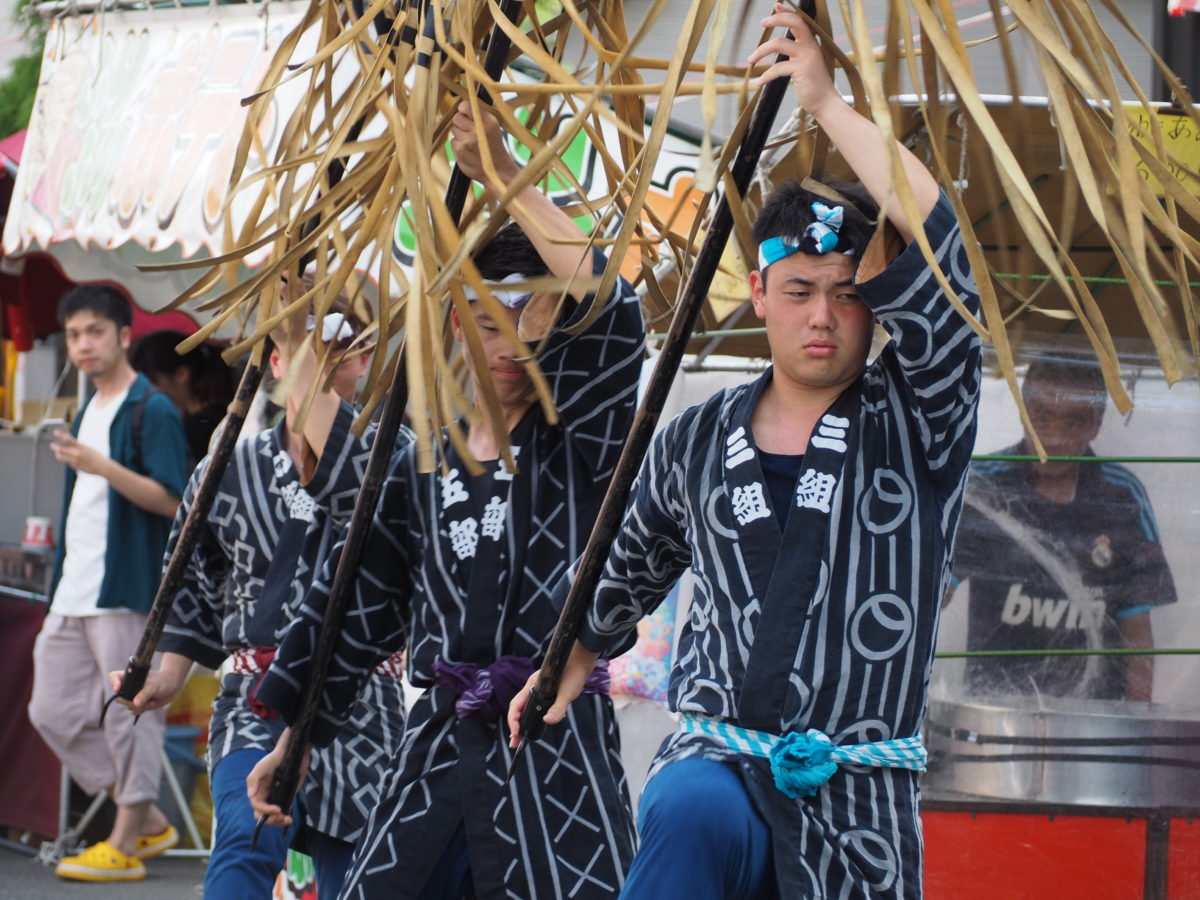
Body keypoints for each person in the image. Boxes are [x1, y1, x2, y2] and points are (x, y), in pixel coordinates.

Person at [508, 7, 983, 898]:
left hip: (857, 801)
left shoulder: (921, 416)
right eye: (799, 291)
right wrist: (567, 659)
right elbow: (628, 562)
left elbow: (935, 243)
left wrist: (826, 104)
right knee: (684, 808)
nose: (822, 316)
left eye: (846, 295)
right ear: (758, 292)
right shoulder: (696, 435)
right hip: (718, 767)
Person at [245, 102, 645, 898]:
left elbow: (611, 306)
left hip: (552, 747)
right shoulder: (425, 456)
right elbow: (357, 596)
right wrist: (300, 733)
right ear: (457, 325)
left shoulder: (587, 438)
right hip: (436, 750)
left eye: (531, 317)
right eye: (488, 322)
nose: (512, 345)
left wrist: (500, 172)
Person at [108, 285, 409, 898]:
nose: (322, 368)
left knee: (358, 878)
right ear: (275, 364)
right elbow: (190, 581)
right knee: (246, 840)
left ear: (362, 363)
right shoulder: (226, 465)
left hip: (360, 697)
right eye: (302, 353)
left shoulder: (394, 461)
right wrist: (165, 677)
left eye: (340, 353)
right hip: (254, 696)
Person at [27, 284, 190, 883]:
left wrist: (101, 465)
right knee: (51, 707)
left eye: (95, 331)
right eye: (74, 334)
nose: (83, 344)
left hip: (125, 583)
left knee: (128, 710)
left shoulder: (153, 409)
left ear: (125, 335)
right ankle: (143, 811)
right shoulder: (86, 408)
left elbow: (177, 502)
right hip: (76, 584)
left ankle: (126, 838)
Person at [947, 353, 1176, 701]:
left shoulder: (1122, 495)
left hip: (1094, 715)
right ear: (1023, 413)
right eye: (1043, 417)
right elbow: (933, 596)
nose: (1053, 439)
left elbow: (1137, 633)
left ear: (1096, 423)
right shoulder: (983, 488)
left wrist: (1137, 727)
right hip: (997, 711)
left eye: (1073, 423)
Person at [130, 329, 236, 464]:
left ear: (181, 374)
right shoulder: (196, 420)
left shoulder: (200, 428)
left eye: (154, 383)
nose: (149, 393)